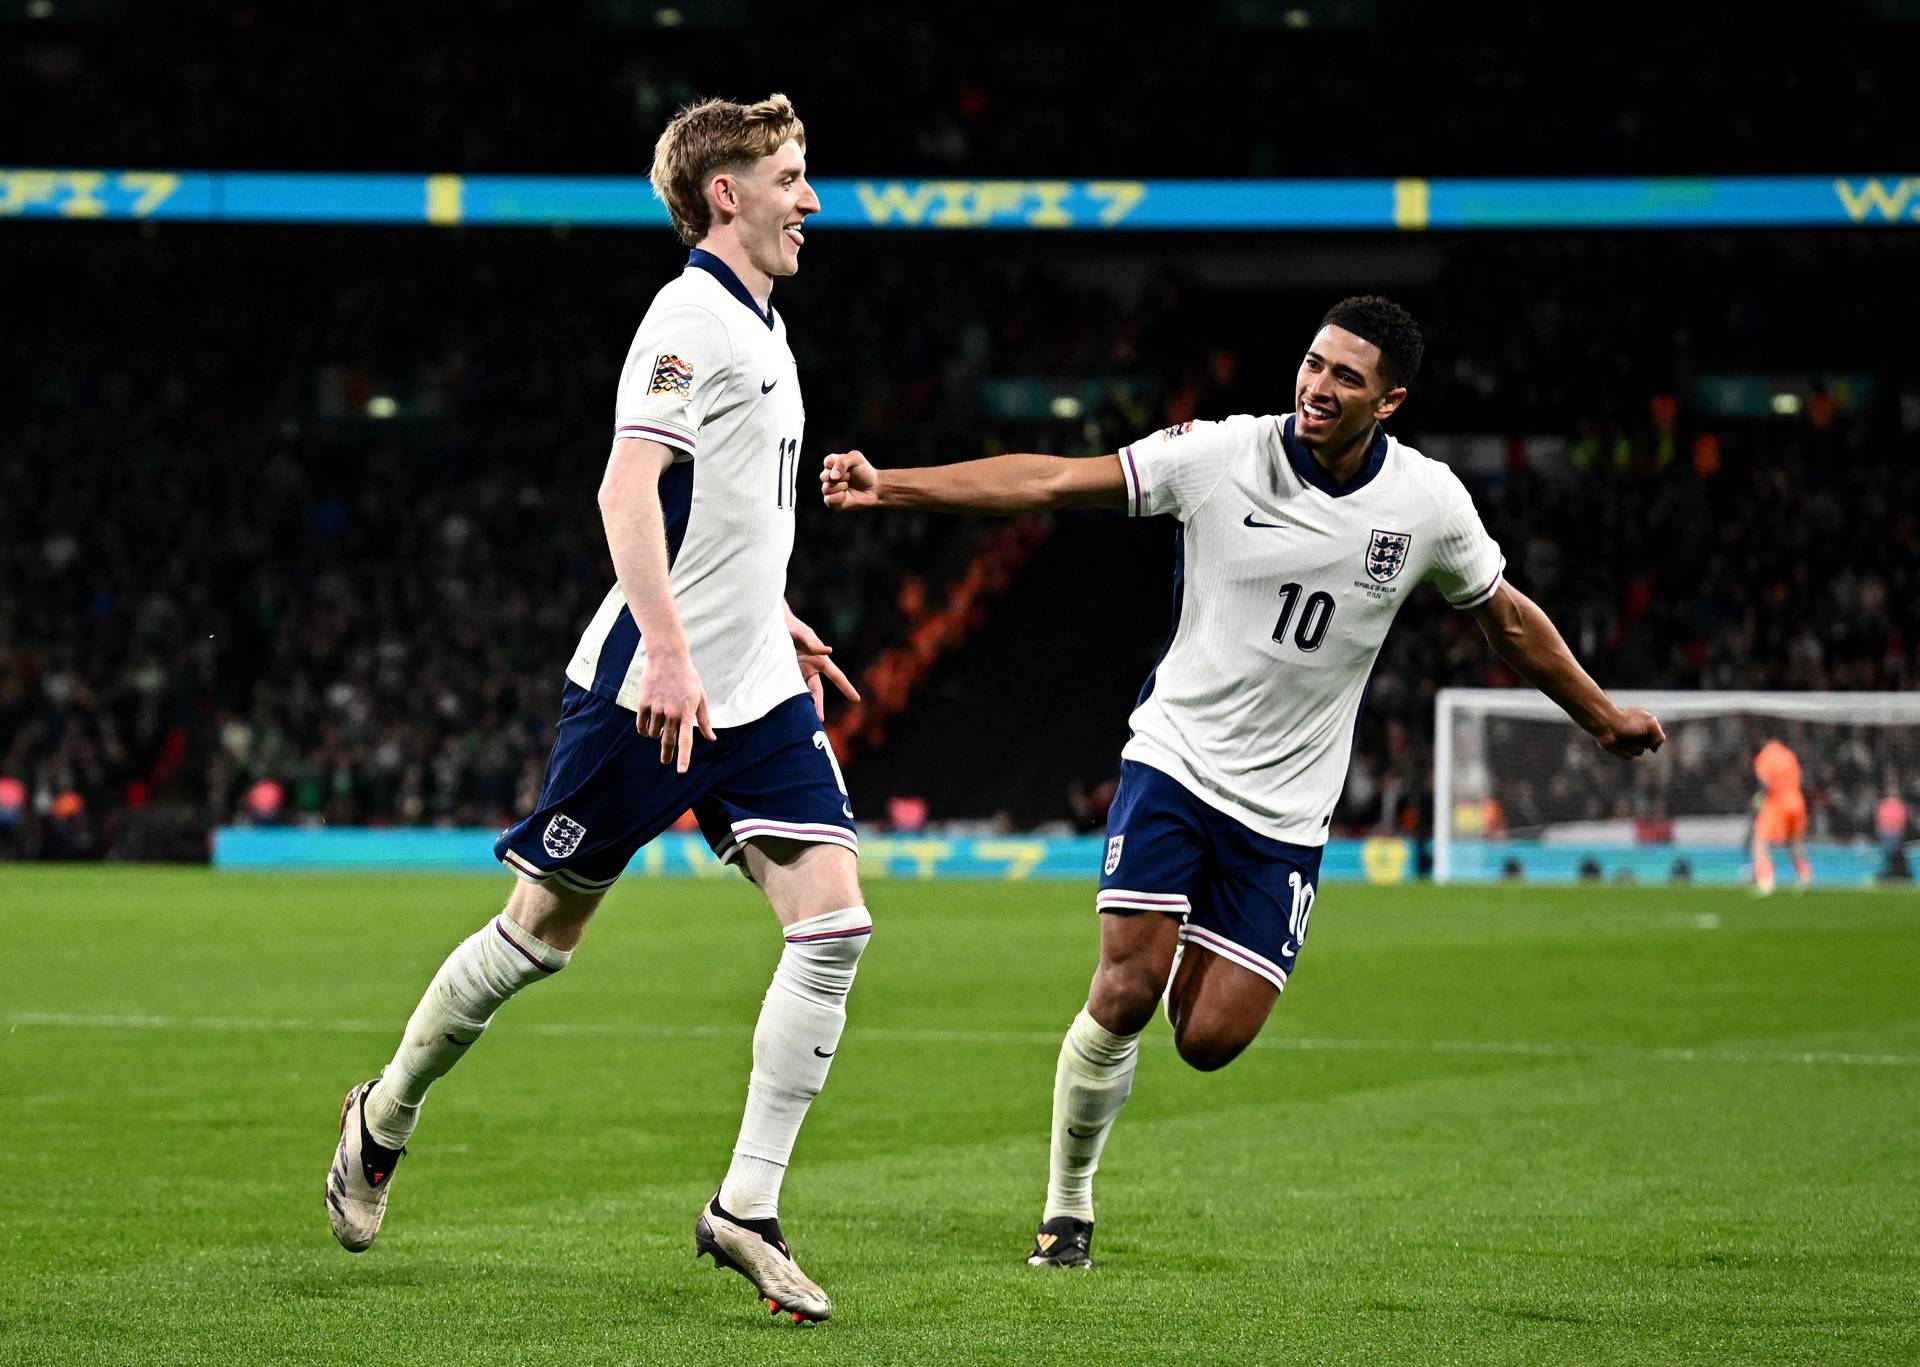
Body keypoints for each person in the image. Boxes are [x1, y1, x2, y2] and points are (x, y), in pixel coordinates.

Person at [820, 295, 1666, 1268]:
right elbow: (1052, 477)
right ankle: (1068, 1204)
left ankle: (1179, 941)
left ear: (1388, 401)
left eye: (1347, 376)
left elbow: (1505, 616)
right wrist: (897, 485)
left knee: (1211, 1036)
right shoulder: (1218, 455)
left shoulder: (1427, 504)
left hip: (1287, 810)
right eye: (1313, 363)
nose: (1318, 385)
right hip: (1176, 759)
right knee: (1127, 987)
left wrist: (1600, 714)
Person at [327, 94, 867, 1324]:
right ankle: (388, 1108)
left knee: (833, 924)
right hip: (651, 688)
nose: (813, 199)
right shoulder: (687, 315)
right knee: (541, 934)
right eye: (791, 176)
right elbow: (628, 488)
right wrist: (672, 651)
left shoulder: (766, 323)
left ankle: (748, 1207)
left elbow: (723, 514)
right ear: (723, 194)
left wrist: (762, 611)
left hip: (752, 688)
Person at [1751, 737, 1811, 894]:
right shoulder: (1789, 755)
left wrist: (1761, 797)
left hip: (1776, 803)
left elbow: (1765, 782)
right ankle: (1804, 877)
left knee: (1760, 841)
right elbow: (1800, 778)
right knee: (1794, 843)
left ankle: (1765, 880)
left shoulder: (1765, 756)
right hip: (1796, 801)